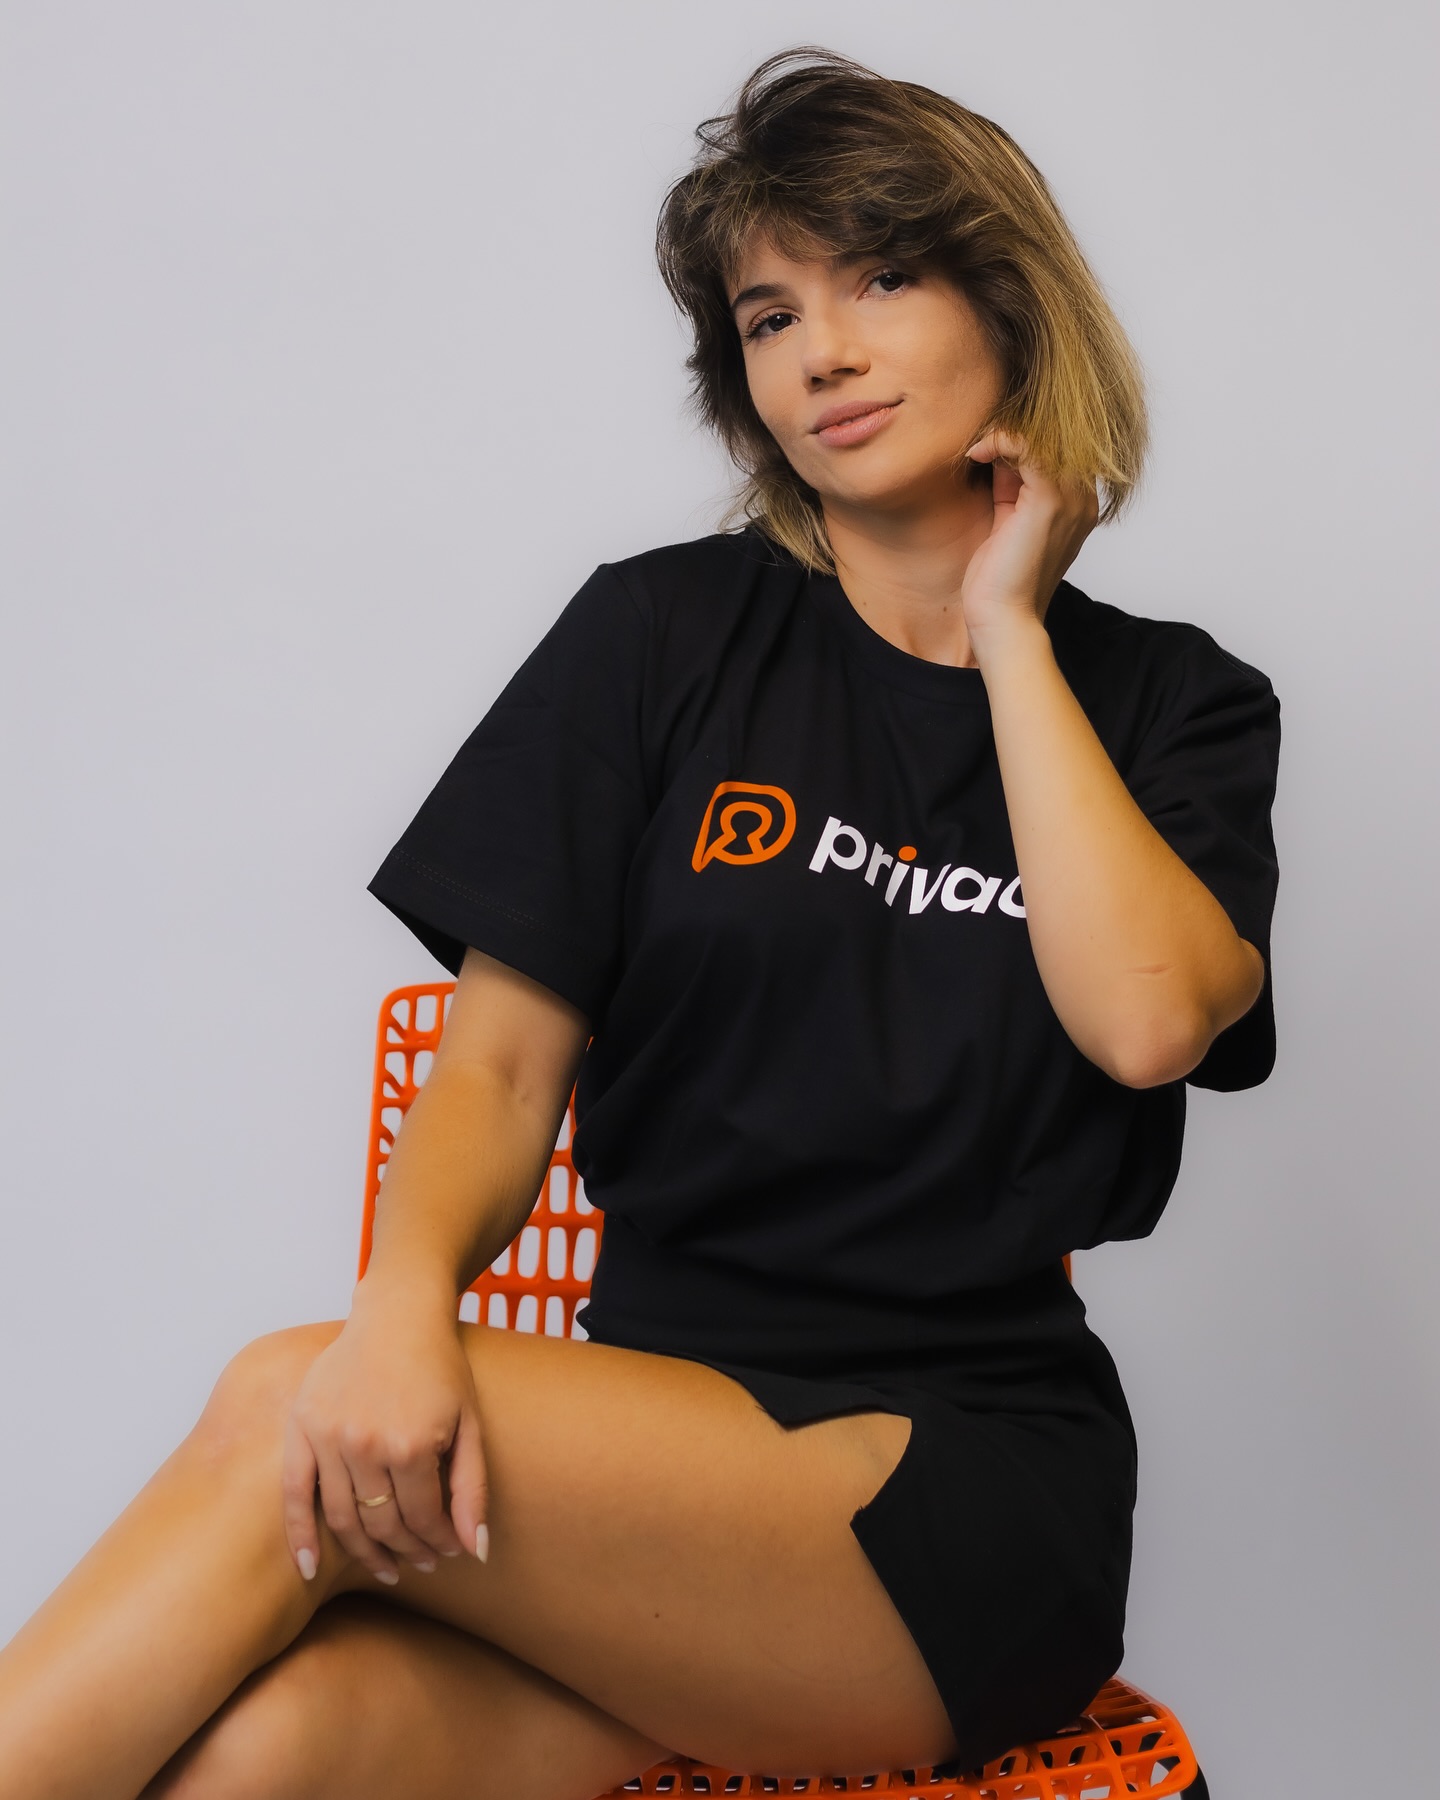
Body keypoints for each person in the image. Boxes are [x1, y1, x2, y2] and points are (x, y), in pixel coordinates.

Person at [0, 47, 1279, 1800]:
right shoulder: (658, 639)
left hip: (954, 1487)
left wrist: (1008, 629)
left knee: (271, 1407)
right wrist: (401, 1308)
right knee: (271, 1756)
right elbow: (499, 1070)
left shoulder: (1175, 705)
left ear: (1011, 304)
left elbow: (1146, 1023)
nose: (821, 352)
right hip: (651, 1460)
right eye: (769, 316)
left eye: (880, 280)